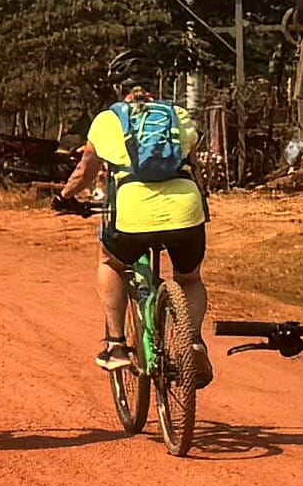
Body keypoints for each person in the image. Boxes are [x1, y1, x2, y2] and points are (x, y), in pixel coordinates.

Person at [51, 77, 214, 397]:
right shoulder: (177, 115)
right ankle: (192, 340)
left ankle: (115, 345)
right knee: (190, 278)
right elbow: (192, 164)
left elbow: (85, 172)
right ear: (152, 89)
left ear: (120, 92)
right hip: (186, 210)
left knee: (110, 262)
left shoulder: (108, 120)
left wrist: (64, 197)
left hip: (131, 215)